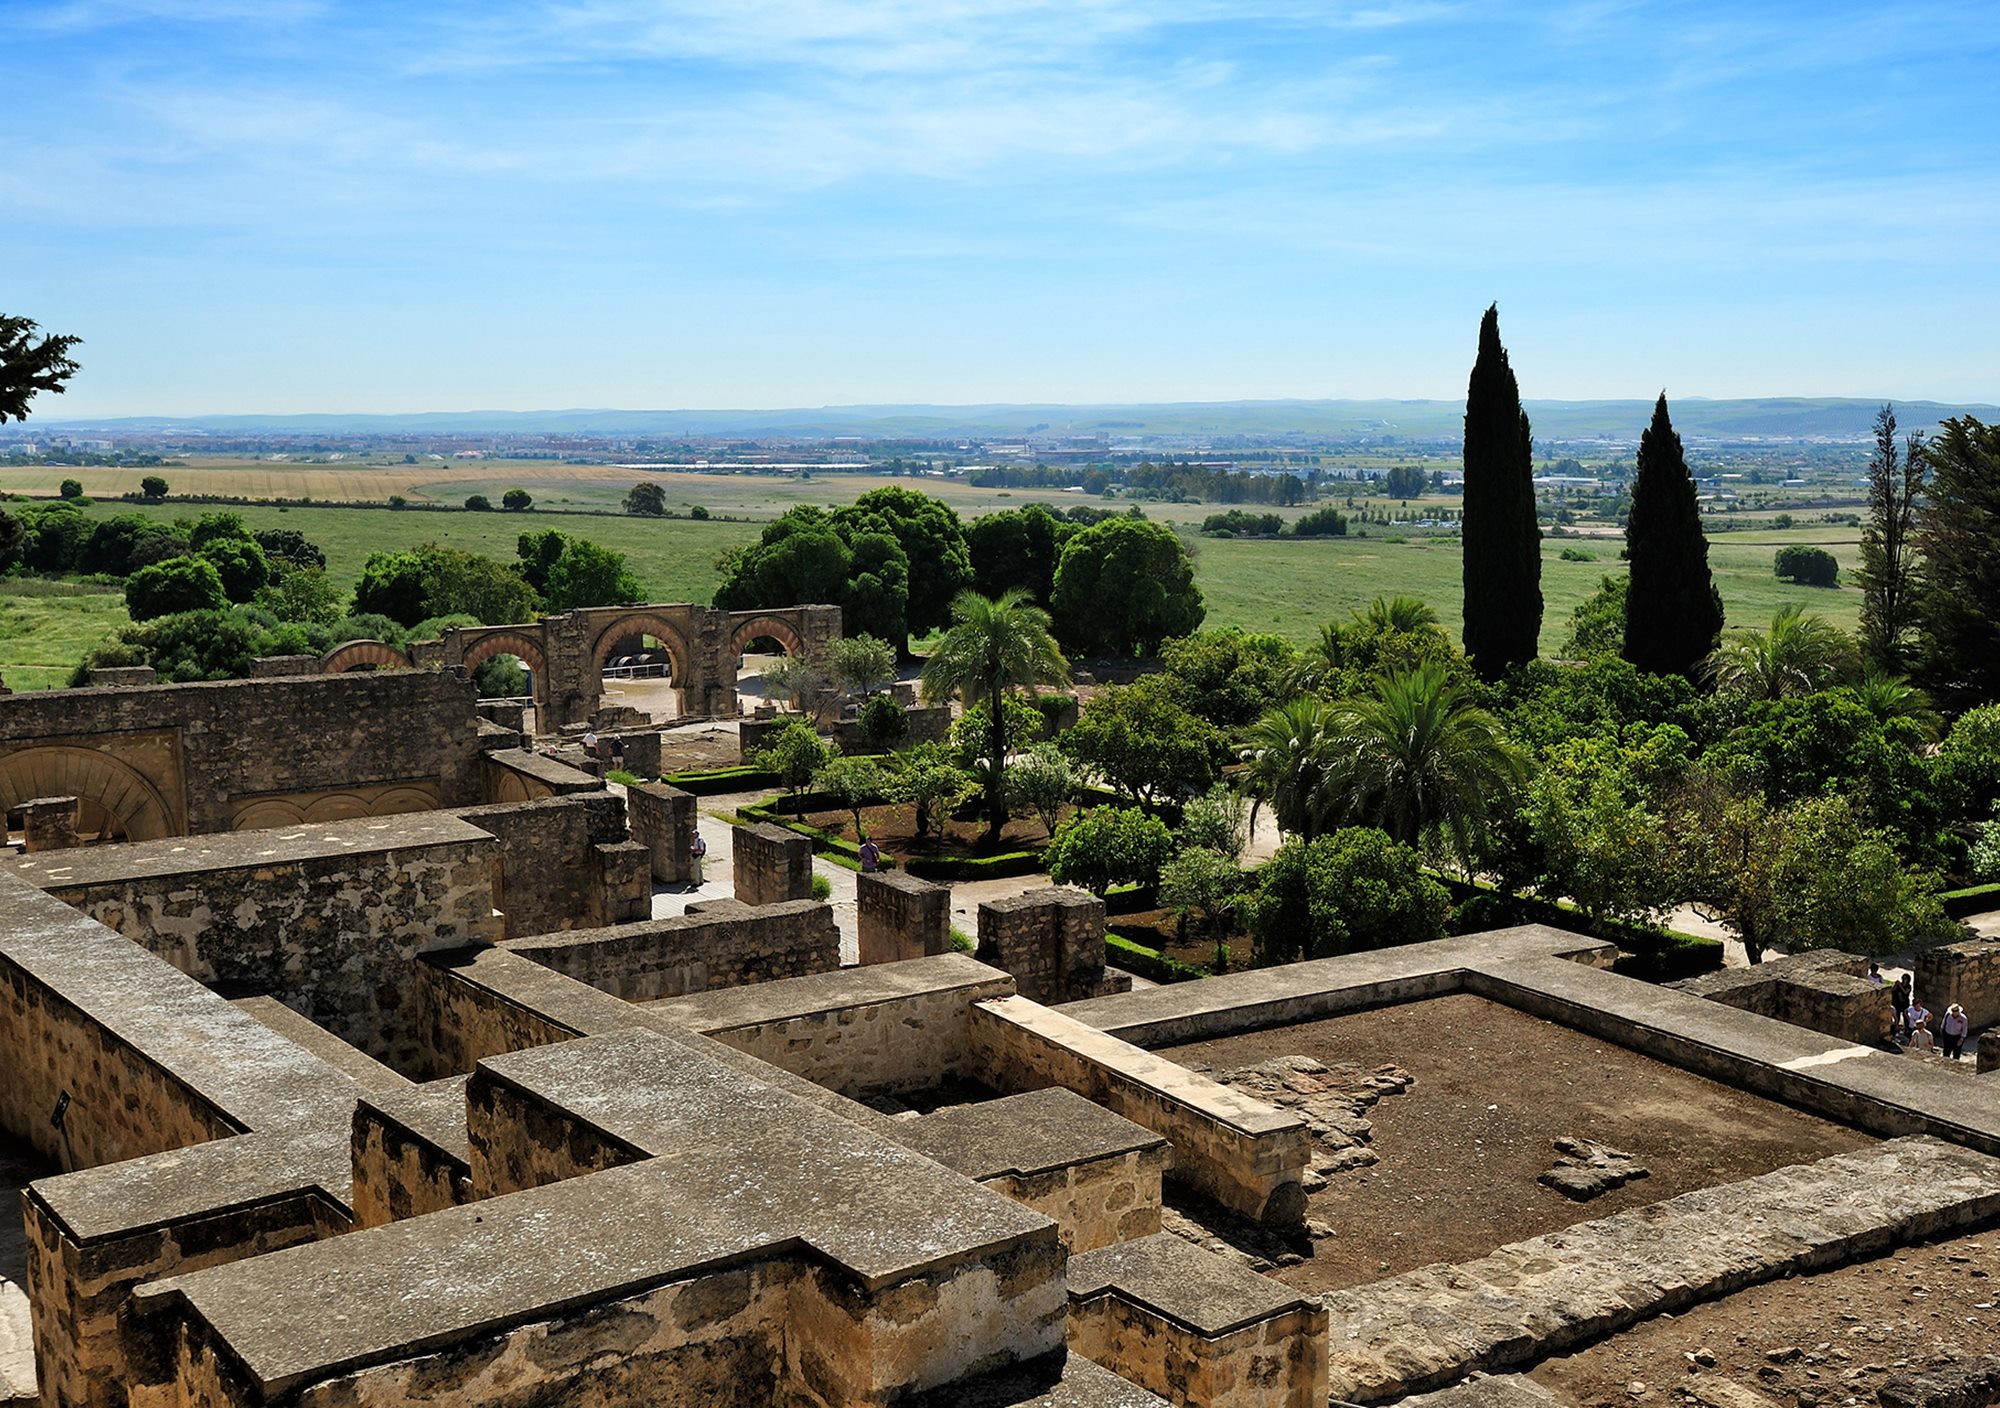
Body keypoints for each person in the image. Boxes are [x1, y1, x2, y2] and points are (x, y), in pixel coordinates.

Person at [1890, 975, 1912, 1045]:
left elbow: (1905, 992)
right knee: (1897, 1017)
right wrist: (1895, 985)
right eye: (1903, 978)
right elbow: (1892, 991)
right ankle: (1895, 1030)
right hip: (1897, 1004)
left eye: (1905, 979)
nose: (1903, 980)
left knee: (1905, 1017)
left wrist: (1900, 986)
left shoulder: (1908, 986)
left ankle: (1907, 1030)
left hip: (1904, 1004)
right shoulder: (1899, 985)